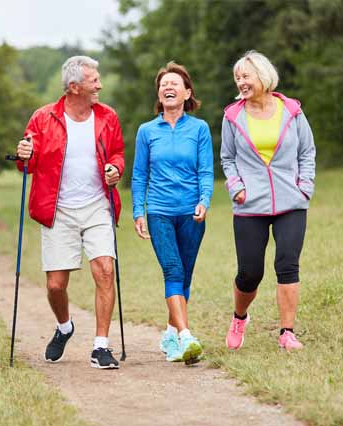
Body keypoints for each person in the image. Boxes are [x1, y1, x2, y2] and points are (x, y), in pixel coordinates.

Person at [15, 56, 124, 369]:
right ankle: (64, 327)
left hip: (96, 206)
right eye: (94, 81)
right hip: (57, 209)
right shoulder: (43, 118)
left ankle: (101, 346)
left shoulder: (107, 117)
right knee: (56, 286)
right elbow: (28, 165)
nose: (99, 85)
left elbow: (117, 153)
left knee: (104, 268)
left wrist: (115, 169)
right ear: (74, 87)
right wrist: (25, 154)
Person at [220, 50, 316, 351]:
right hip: (250, 204)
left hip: (291, 201)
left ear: (262, 76)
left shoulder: (292, 111)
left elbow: (307, 152)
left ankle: (286, 332)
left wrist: (304, 187)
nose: (241, 82)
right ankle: (239, 317)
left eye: (245, 76)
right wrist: (236, 188)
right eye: (238, 77)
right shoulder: (232, 116)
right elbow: (227, 157)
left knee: (288, 264)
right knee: (250, 272)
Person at [131, 62, 214, 365]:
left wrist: (205, 200)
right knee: (173, 271)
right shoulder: (147, 131)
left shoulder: (199, 129)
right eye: (163, 84)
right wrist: (138, 211)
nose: (168, 87)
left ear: (187, 92)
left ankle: (170, 334)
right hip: (160, 211)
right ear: (159, 93)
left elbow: (206, 170)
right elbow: (139, 175)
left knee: (185, 275)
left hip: (192, 212)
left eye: (174, 83)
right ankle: (186, 336)